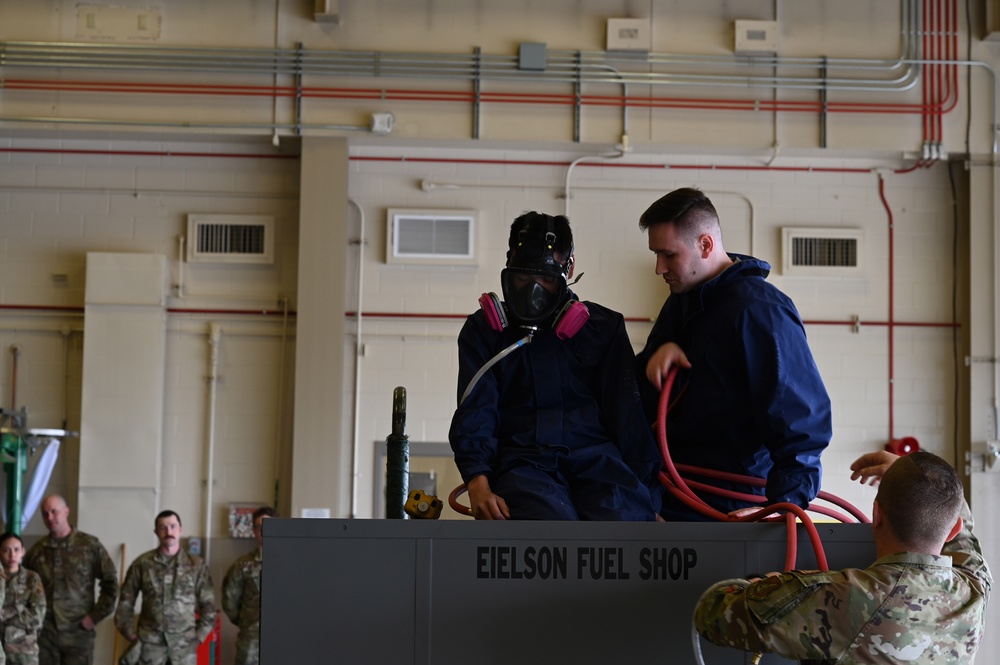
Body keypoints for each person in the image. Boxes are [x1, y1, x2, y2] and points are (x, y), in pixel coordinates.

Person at [449, 211, 662, 520]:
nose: (532, 291)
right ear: (508, 264)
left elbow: (629, 419)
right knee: (548, 531)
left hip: (599, 461)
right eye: (522, 277)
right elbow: (476, 411)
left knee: (623, 521)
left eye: (547, 279)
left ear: (570, 268)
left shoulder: (602, 329)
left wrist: (648, 499)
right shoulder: (486, 332)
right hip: (523, 465)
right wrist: (478, 481)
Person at [634, 187, 831, 519]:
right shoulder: (683, 302)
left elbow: (801, 425)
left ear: (705, 245)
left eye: (668, 255)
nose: (658, 267)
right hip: (671, 492)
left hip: (733, 502)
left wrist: (780, 509)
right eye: (656, 254)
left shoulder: (759, 310)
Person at [694, 450, 992, 663]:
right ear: (952, 529)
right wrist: (912, 473)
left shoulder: (842, 598)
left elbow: (711, 614)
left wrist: (763, 586)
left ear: (876, 514)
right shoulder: (975, 592)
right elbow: (964, 537)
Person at [24, 495, 118, 665]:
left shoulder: (89, 546)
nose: (50, 518)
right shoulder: (37, 552)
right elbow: (23, 590)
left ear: (66, 512)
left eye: (54, 512)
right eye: (45, 514)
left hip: (78, 634)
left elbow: (110, 583)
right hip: (46, 636)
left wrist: (94, 617)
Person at [114, 511, 216, 665]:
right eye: (163, 528)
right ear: (156, 532)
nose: (169, 532)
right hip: (150, 649)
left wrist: (198, 638)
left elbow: (209, 607)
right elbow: (124, 605)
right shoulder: (142, 564)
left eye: (173, 526)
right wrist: (133, 637)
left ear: (180, 529)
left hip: (184, 650)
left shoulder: (196, 565)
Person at [221, 506, 274, 665]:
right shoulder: (243, 565)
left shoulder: (292, 563)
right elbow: (229, 599)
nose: (264, 531)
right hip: (251, 641)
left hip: (284, 639)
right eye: (259, 527)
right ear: (254, 531)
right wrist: (247, 622)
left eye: (269, 526)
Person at [0, 532, 46, 665]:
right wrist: (18, 609)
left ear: (22, 552)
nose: (12, 555)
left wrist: (3, 615)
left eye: (16, 550)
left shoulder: (32, 579)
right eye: (6, 550)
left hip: (23, 652)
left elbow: (37, 616)